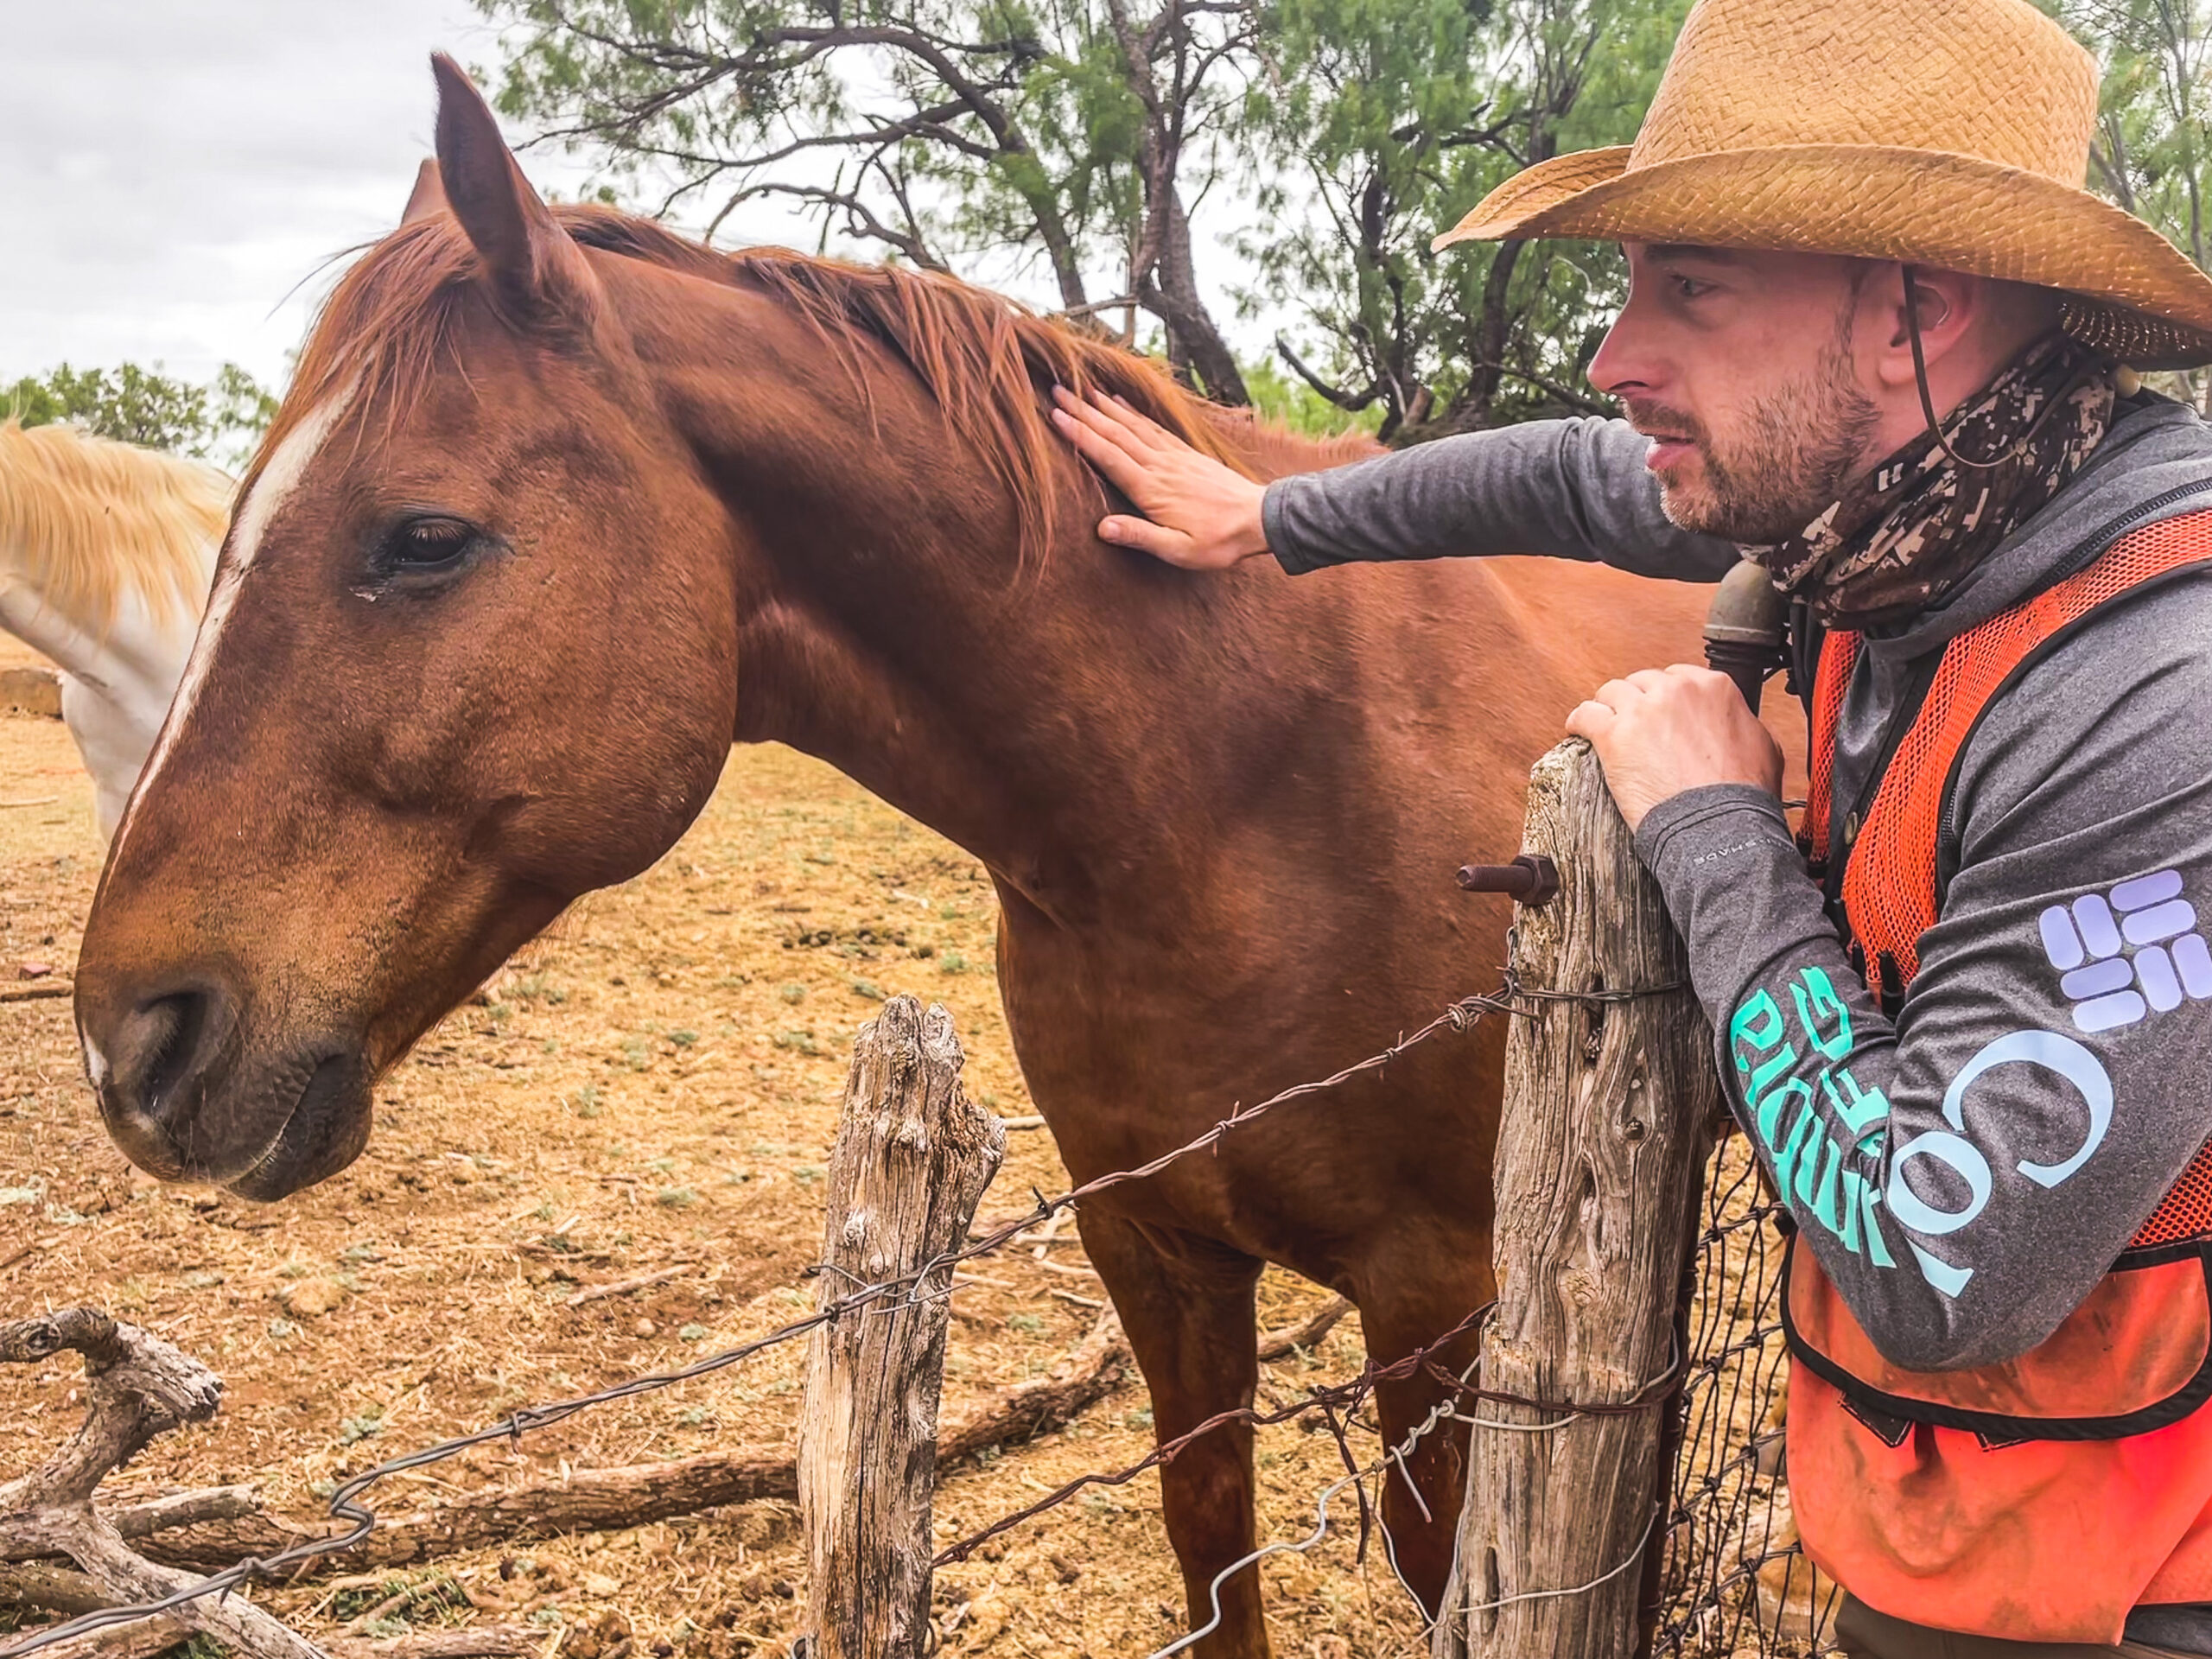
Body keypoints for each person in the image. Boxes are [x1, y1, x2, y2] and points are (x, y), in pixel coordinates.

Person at [1049, 0, 2212, 1653]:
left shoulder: (2157, 688)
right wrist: (1274, 519)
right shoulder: (1905, 516)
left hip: (2137, 1583)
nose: (1616, 357)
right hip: (1966, 1529)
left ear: (1912, 312)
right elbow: (1569, 475)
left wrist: (1716, 830)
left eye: (1690, 290)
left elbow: (1945, 1265)